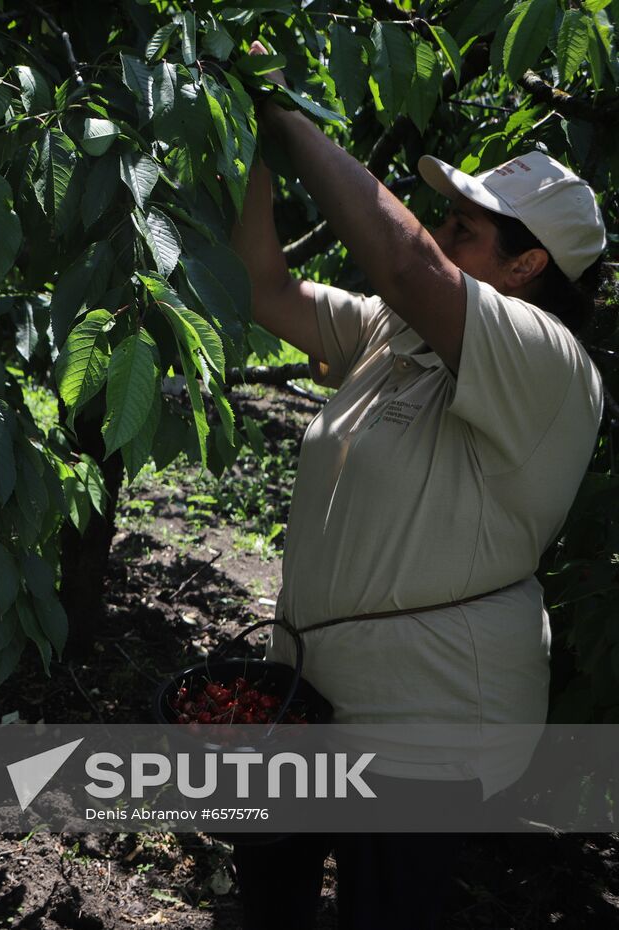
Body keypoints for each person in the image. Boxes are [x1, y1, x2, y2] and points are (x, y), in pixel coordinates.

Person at [228, 43, 607, 930]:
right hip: (309, 694)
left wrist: (287, 110)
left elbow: (407, 266)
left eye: (465, 231)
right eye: (445, 222)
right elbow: (263, 286)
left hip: (425, 731)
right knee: (269, 904)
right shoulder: (396, 337)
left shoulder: (550, 365)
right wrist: (249, 136)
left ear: (527, 268)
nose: (440, 237)